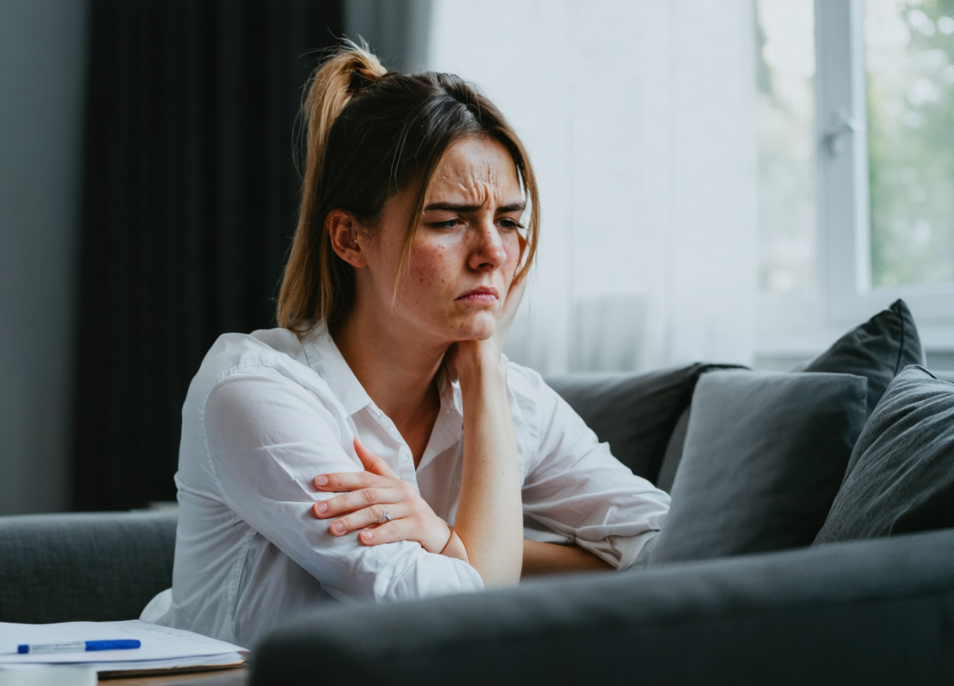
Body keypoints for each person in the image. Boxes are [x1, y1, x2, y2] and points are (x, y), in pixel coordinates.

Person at [141, 41, 670, 648]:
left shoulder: (512, 400)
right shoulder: (253, 395)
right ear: (349, 238)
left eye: (508, 221)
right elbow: (465, 621)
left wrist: (452, 536)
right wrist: (465, 551)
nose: (492, 254)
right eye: (448, 221)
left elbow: (672, 545)